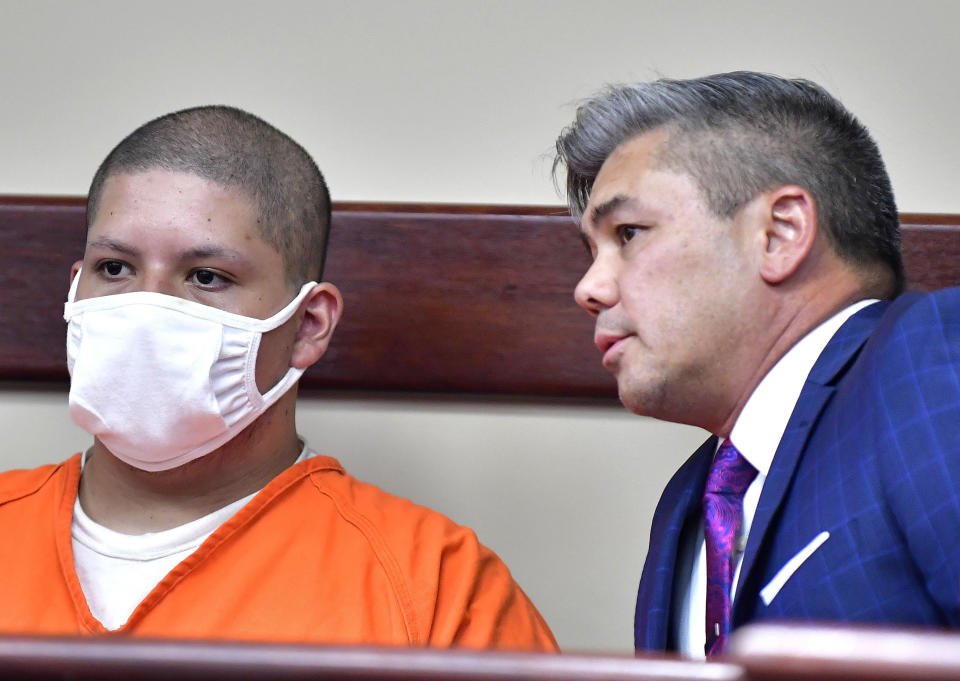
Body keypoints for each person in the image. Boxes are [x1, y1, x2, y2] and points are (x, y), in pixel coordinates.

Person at [0, 105, 556, 651]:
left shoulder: (438, 590)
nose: (147, 307)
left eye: (206, 276)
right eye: (115, 268)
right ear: (75, 292)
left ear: (308, 325)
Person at [553, 71, 960, 657]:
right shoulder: (689, 504)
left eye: (630, 233)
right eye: (592, 252)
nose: (589, 289)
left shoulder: (930, 361)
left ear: (780, 233)